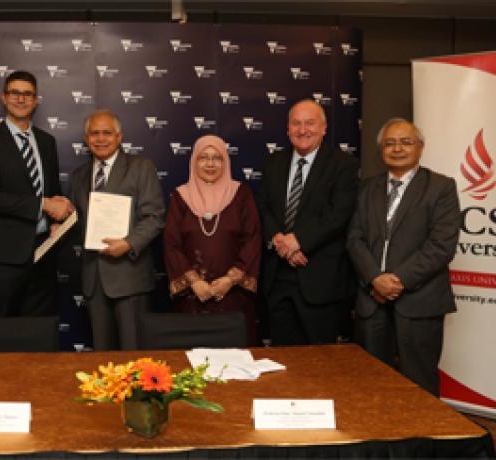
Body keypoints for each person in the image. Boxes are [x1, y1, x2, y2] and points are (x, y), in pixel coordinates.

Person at [347, 118, 460, 396]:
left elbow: (441, 245)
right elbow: (354, 238)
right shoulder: (367, 188)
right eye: (390, 143)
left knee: (419, 383)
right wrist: (375, 278)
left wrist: (397, 280)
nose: (397, 148)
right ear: (381, 149)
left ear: (421, 147)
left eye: (406, 142)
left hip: (419, 302)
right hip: (372, 301)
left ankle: (423, 440)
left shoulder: (441, 187)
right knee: (372, 383)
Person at [256, 99, 359, 345]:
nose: (303, 130)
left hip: (319, 280)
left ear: (324, 127)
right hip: (277, 277)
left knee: (320, 365)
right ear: (288, 129)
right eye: (297, 123)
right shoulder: (273, 163)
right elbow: (264, 207)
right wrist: (280, 241)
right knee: (282, 361)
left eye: (310, 123)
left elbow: (339, 215)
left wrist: (299, 241)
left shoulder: (343, 164)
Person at [0, 70, 72, 317]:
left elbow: (51, 191)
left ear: (36, 100)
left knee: (39, 332)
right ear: (4, 98)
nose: (21, 99)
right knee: (3, 333)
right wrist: (44, 205)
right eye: (15, 93)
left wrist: (58, 219)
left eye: (27, 94)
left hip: (44, 252)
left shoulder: (46, 142)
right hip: (5, 257)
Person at [69, 110, 165, 350]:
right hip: (94, 279)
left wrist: (129, 243)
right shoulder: (79, 176)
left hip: (129, 275)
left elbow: (154, 217)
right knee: (103, 358)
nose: (100, 139)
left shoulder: (141, 167)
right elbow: (80, 222)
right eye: (94, 133)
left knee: (134, 358)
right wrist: (60, 224)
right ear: (86, 137)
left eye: (107, 133)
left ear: (119, 137)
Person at [164, 135, 262, 345]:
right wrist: (195, 282)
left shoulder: (241, 194)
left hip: (233, 296)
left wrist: (230, 280)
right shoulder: (180, 197)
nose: (210, 164)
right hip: (192, 298)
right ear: (194, 161)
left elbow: (252, 239)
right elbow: (171, 244)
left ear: (225, 162)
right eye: (203, 157)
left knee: (235, 362)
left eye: (217, 158)